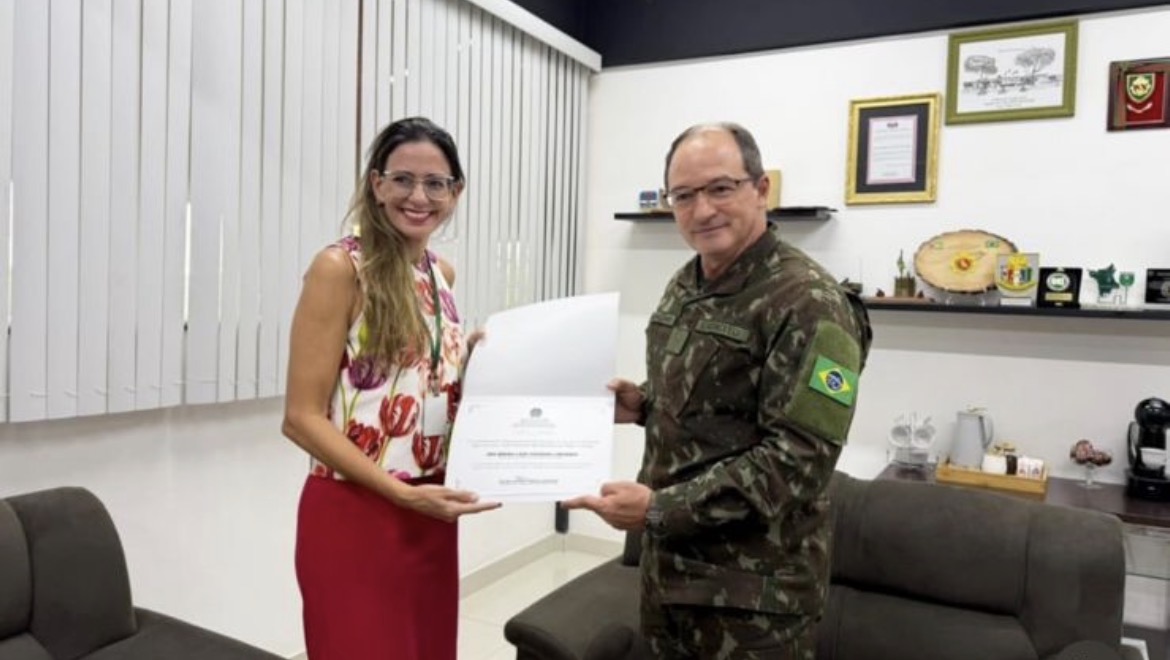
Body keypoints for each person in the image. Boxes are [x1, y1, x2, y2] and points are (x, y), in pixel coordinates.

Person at [564, 122, 872, 659]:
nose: (702, 210)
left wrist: (658, 509)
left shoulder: (812, 302)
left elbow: (799, 460)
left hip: (753, 601)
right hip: (672, 579)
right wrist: (645, 404)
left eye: (720, 188)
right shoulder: (688, 281)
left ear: (761, 189)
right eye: (683, 196)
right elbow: (718, 397)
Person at [282, 116, 499, 660]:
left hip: (429, 507)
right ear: (377, 185)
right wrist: (400, 494)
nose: (418, 197)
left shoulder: (440, 272)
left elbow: (417, 383)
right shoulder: (340, 269)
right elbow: (301, 418)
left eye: (435, 183)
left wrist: (474, 363)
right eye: (403, 179)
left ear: (456, 192)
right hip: (356, 511)